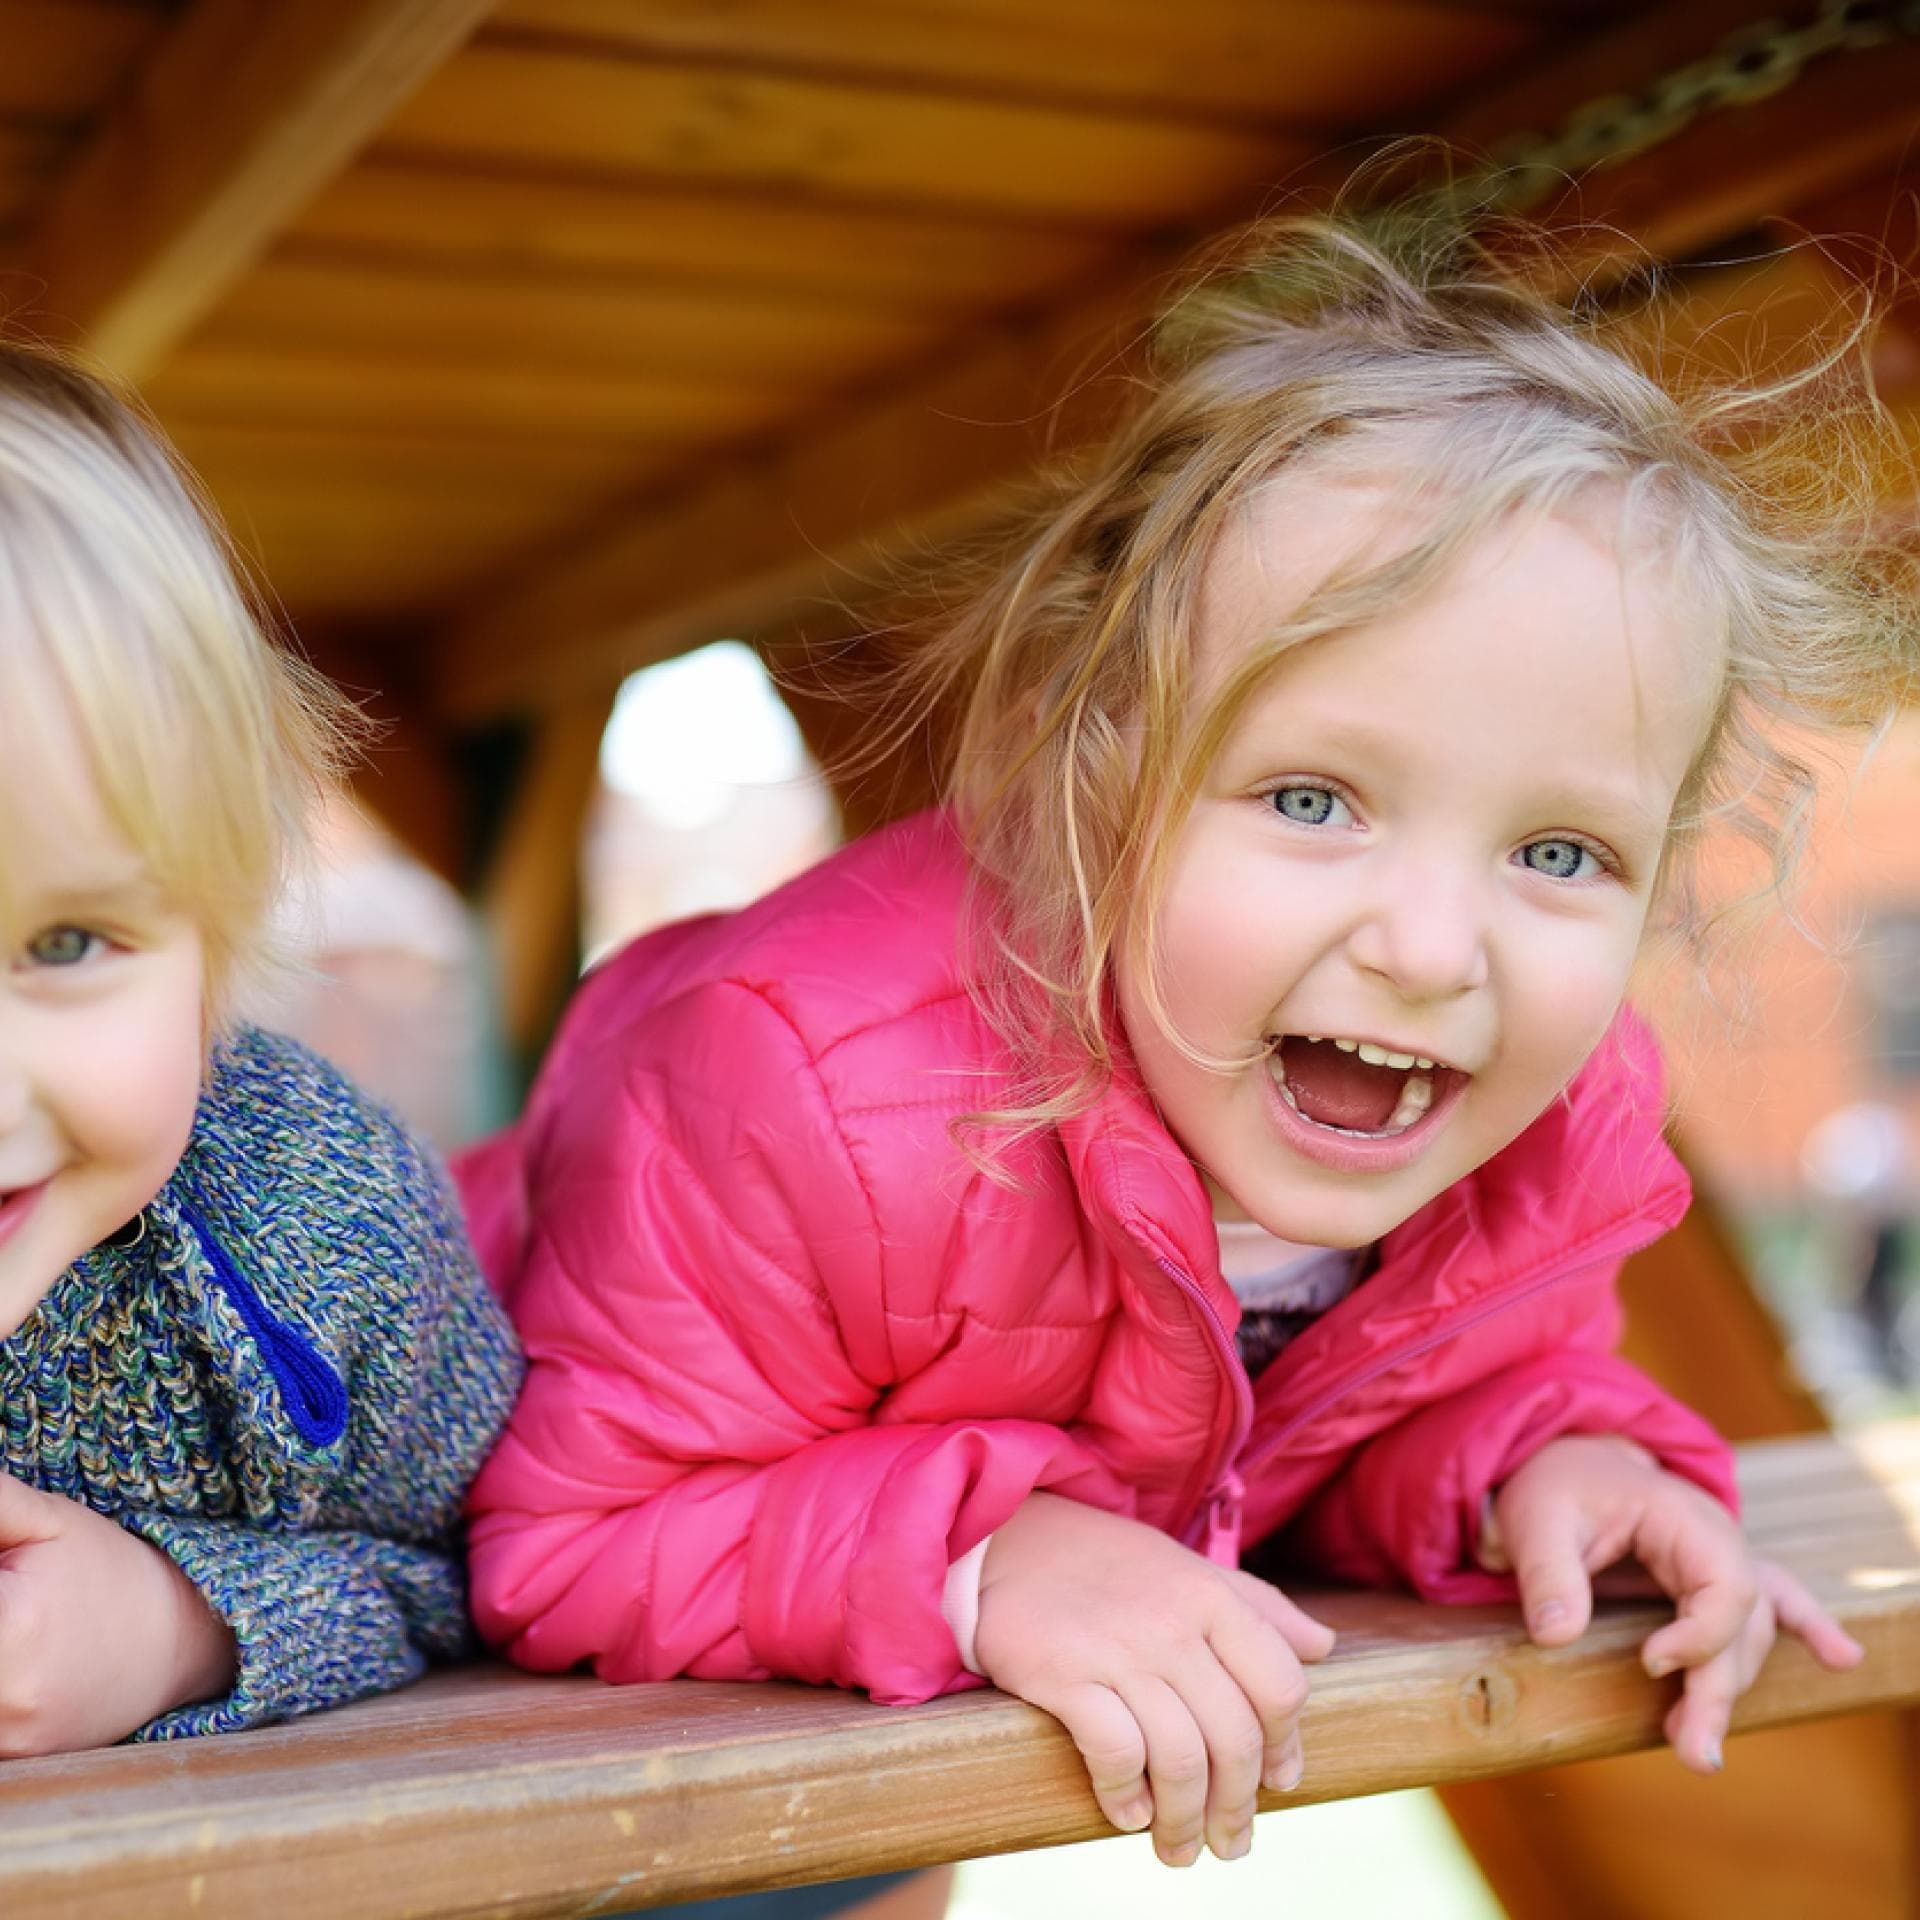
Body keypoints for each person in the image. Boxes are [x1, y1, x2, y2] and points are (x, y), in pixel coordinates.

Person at [461, 212, 1902, 1909]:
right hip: (484, 1683)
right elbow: (560, 1541)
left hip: (849, 1733)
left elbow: (1359, 1421)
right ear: (1102, 771)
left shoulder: (1542, 1131)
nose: (1436, 950)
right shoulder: (808, 1082)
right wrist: (993, 1556)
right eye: (1312, 801)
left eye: (1562, 853)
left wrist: (1553, 1471)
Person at [0, 339, 522, 1754]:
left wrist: (184, 1624)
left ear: (211, 942)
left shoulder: (324, 1213)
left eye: (64, 945)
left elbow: (484, 1578)